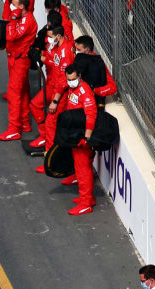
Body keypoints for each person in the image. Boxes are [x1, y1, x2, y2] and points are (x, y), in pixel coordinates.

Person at [55, 62, 97, 216]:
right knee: (79, 167)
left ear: (79, 76)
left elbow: (91, 115)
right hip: (75, 133)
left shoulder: (84, 92)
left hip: (82, 136)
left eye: (73, 79)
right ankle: (87, 198)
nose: (70, 82)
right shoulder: (73, 88)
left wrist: (87, 137)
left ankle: (86, 203)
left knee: (83, 168)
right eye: (68, 79)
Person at [28, 21, 75, 150]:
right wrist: (40, 57)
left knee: (51, 124)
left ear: (58, 36)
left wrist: (55, 101)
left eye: (50, 37)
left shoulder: (65, 52)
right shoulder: (57, 46)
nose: (48, 40)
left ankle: (50, 160)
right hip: (52, 85)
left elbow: (63, 80)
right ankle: (45, 139)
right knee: (36, 106)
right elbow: (53, 62)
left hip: (61, 92)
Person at [0, 0, 38, 140]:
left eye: (14, 4)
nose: (11, 6)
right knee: (23, 90)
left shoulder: (27, 20)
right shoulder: (22, 17)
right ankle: (25, 122)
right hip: (15, 57)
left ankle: (14, 128)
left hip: (20, 60)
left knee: (14, 93)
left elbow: (11, 35)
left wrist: (13, 18)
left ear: (21, 6)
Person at [72, 36, 117, 108]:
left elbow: (112, 88)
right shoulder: (77, 58)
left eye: (78, 49)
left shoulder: (99, 64)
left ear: (87, 50)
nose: (76, 52)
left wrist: (94, 90)